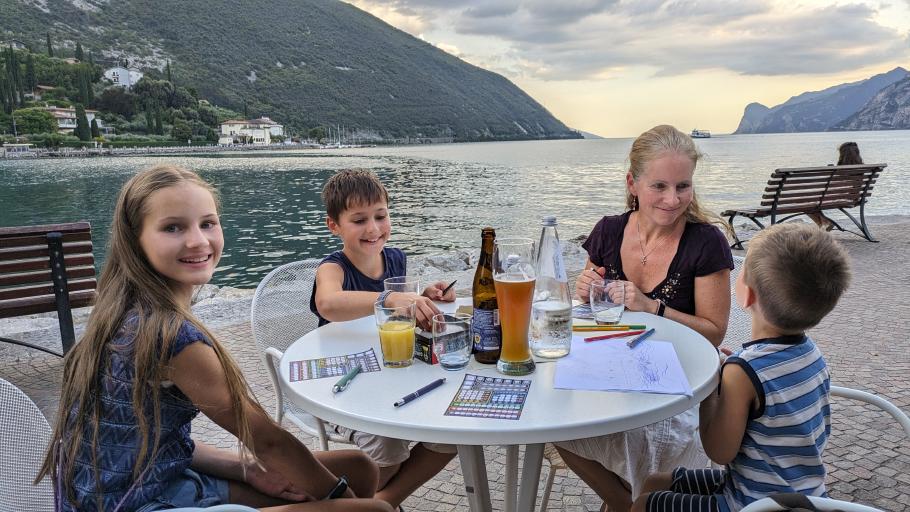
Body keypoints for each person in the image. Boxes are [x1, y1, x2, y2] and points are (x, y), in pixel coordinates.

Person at [37, 165, 392, 512]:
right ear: (135, 240)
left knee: (359, 468)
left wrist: (247, 469)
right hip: (135, 501)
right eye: (173, 227)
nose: (197, 240)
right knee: (373, 509)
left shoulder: (124, 308)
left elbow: (154, 440)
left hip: (149, 480)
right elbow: (267, 440)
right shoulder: (168, 335)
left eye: (207, 223)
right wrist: (347, 503)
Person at [556, 124, 734, 511]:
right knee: (561, 427)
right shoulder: (607, 231)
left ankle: (630, 503)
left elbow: (714, 334)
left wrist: (652, 307)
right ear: (633, 183)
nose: (673, 200)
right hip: (610, 370)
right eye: (660, 186)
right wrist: (585, 290)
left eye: (683, 186)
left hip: (680, 381)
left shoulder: (706, 242)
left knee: (647, 435)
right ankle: (629, 505)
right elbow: (587, 313)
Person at [632, 223, 851, 512]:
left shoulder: (742, 371)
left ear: (746, 295)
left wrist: (713, 384)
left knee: (646, 503)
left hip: (756, 504)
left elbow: (719, 451)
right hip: (805, 495)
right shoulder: (811, 353)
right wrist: (735, 369)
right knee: (656, 482)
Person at [309, 168, 457, 508]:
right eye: (359, 220)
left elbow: (400, 307)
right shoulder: (333, 268)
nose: (374, 229)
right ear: (334, 225)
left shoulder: (395, 259)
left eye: (380, 216)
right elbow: (328, 303)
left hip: (391, 376)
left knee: (453, 431)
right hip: (343, 382)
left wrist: (424, 295)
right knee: (389, 448)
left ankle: (382, 503)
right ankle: (358, 502)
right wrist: (386, 300)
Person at [809, 141, 864, 230]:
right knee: (810, 202)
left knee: (807, 202)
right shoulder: (864, 169)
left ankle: (825, 223)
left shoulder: (838, 170)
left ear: (842, 154)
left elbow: (831, 187)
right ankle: (824, 224)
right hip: (854, 199)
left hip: (837, 198)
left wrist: (830, 171)